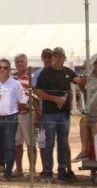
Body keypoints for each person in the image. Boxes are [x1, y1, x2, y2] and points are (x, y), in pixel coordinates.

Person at [32, 46, 84, 182]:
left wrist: (85, 74)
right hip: (49, 114)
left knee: (63, 144)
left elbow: (80, 81)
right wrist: (55, 99)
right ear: (53, 57)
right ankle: (48, 173)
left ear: (64, 58)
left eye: (60, 56)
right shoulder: (45, 73)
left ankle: (62, 173)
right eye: (55, 55)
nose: (58, 58)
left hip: (64, 114)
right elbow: (38, 92)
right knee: (49, 144)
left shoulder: (68, 71)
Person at [75, 56, 97, 162]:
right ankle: (84, 151)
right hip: (92, 111)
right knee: (83, 121)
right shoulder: (90, 76)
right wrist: (85, 70)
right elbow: (81, 84)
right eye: (95, 62)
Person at [10, 53, 35, 178]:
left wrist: (28, 106)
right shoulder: (12, 78)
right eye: (17, 62)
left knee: (30, 143)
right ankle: (19, 169)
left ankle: (32, 170)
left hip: (28, 114)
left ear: (26, 63)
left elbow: (35, 95)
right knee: (17, 143)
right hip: (14, 114)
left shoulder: (32, 78)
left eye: (21, 61)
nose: (19, 64)